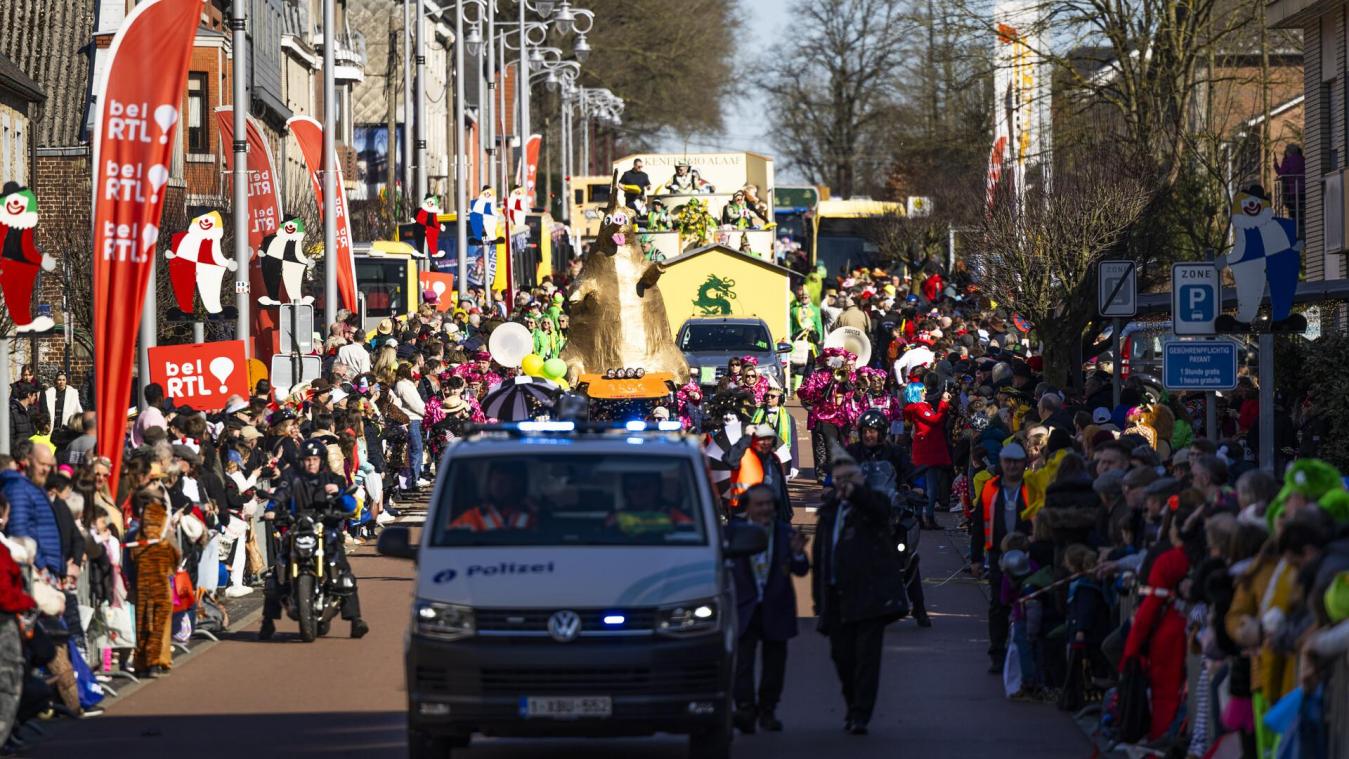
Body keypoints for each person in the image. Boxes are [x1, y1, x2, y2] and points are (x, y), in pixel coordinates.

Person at [811, 450, 909, 735]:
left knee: (867, 659)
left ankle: (860, 714)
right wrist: (819, 600)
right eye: (838, 480)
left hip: (869, 597)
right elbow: (821, 554)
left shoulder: (871, 504)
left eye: (849, 479)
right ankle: (852, 703)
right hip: (837, 596)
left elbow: (881, 510)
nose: (843, 485)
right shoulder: (830, 511)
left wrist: (856, 492)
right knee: (842, 657)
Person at [260, 439, 369, 640]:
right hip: (297, 529)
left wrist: (339, 495)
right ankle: (267, 622)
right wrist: (272, 510)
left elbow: (351, 506)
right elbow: (280, 495)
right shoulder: (291, 478)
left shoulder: (333, 479)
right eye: (308, 459)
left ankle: (356, 620)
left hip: (325, 530)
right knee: (277, 573)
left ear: (322, 460)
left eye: (315, 459)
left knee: (343, 572)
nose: (311, 463)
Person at [730, 484, 809, 734]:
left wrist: (798, 554)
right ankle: (745, 708)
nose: (765, 509)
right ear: (748, 507)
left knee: (775, 665)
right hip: (744, 608)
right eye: (759, 505)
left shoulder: (785, 533)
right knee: (742, 663)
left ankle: (768, 710)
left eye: (769, 505)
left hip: (777, 607)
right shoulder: (732, 532)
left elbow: (801, 569)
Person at [847, 409, 930, 627]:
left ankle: (919, 608)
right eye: (865, 430)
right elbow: (837, 472)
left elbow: (912, 472)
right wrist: (830, 486)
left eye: (873, 431)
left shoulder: (895, 452)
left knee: (908, 558)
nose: (868, 435)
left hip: (891, 512)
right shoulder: (853, 452)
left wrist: (917, 488)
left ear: (882, 432)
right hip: (861, 512)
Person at [971, 442, 1032, 673]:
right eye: (1008, 461)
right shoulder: (990, 488)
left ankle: (1026, 655)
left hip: (1028, 554)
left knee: (1027, 603)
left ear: (1024, 464)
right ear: (1002, 463)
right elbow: (978, 524)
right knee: (998, 605)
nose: (1012, 466)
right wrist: (975, 558)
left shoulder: (1032, 487)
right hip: (997, 554)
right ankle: (997, 654)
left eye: (1017, 462)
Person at [724, 424, 792, 522]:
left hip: (769, 513)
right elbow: (729, 459)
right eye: (761, 439)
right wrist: (746, 437)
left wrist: (786, 513)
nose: (765, 443)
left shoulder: (774, 459)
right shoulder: (743, 456)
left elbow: (780, 489)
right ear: (753, 440)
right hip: (743, 513)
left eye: (769, 439)